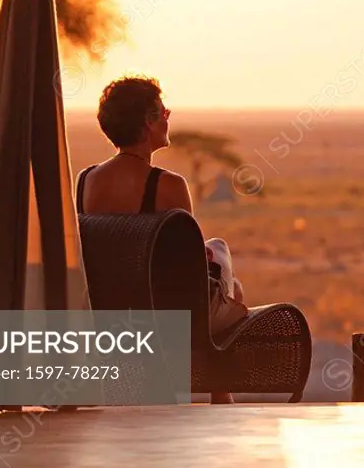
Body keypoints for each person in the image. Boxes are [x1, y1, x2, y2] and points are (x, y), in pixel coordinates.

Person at [75, 75, 243, 404]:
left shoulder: (86, 180)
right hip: (164, 311)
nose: (168, 116)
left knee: (226, 273)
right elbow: (192, 264)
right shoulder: (168, 185)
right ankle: (222, 398)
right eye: (162, 111)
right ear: (148, 122)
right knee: (222, 256)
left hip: (108, 308)